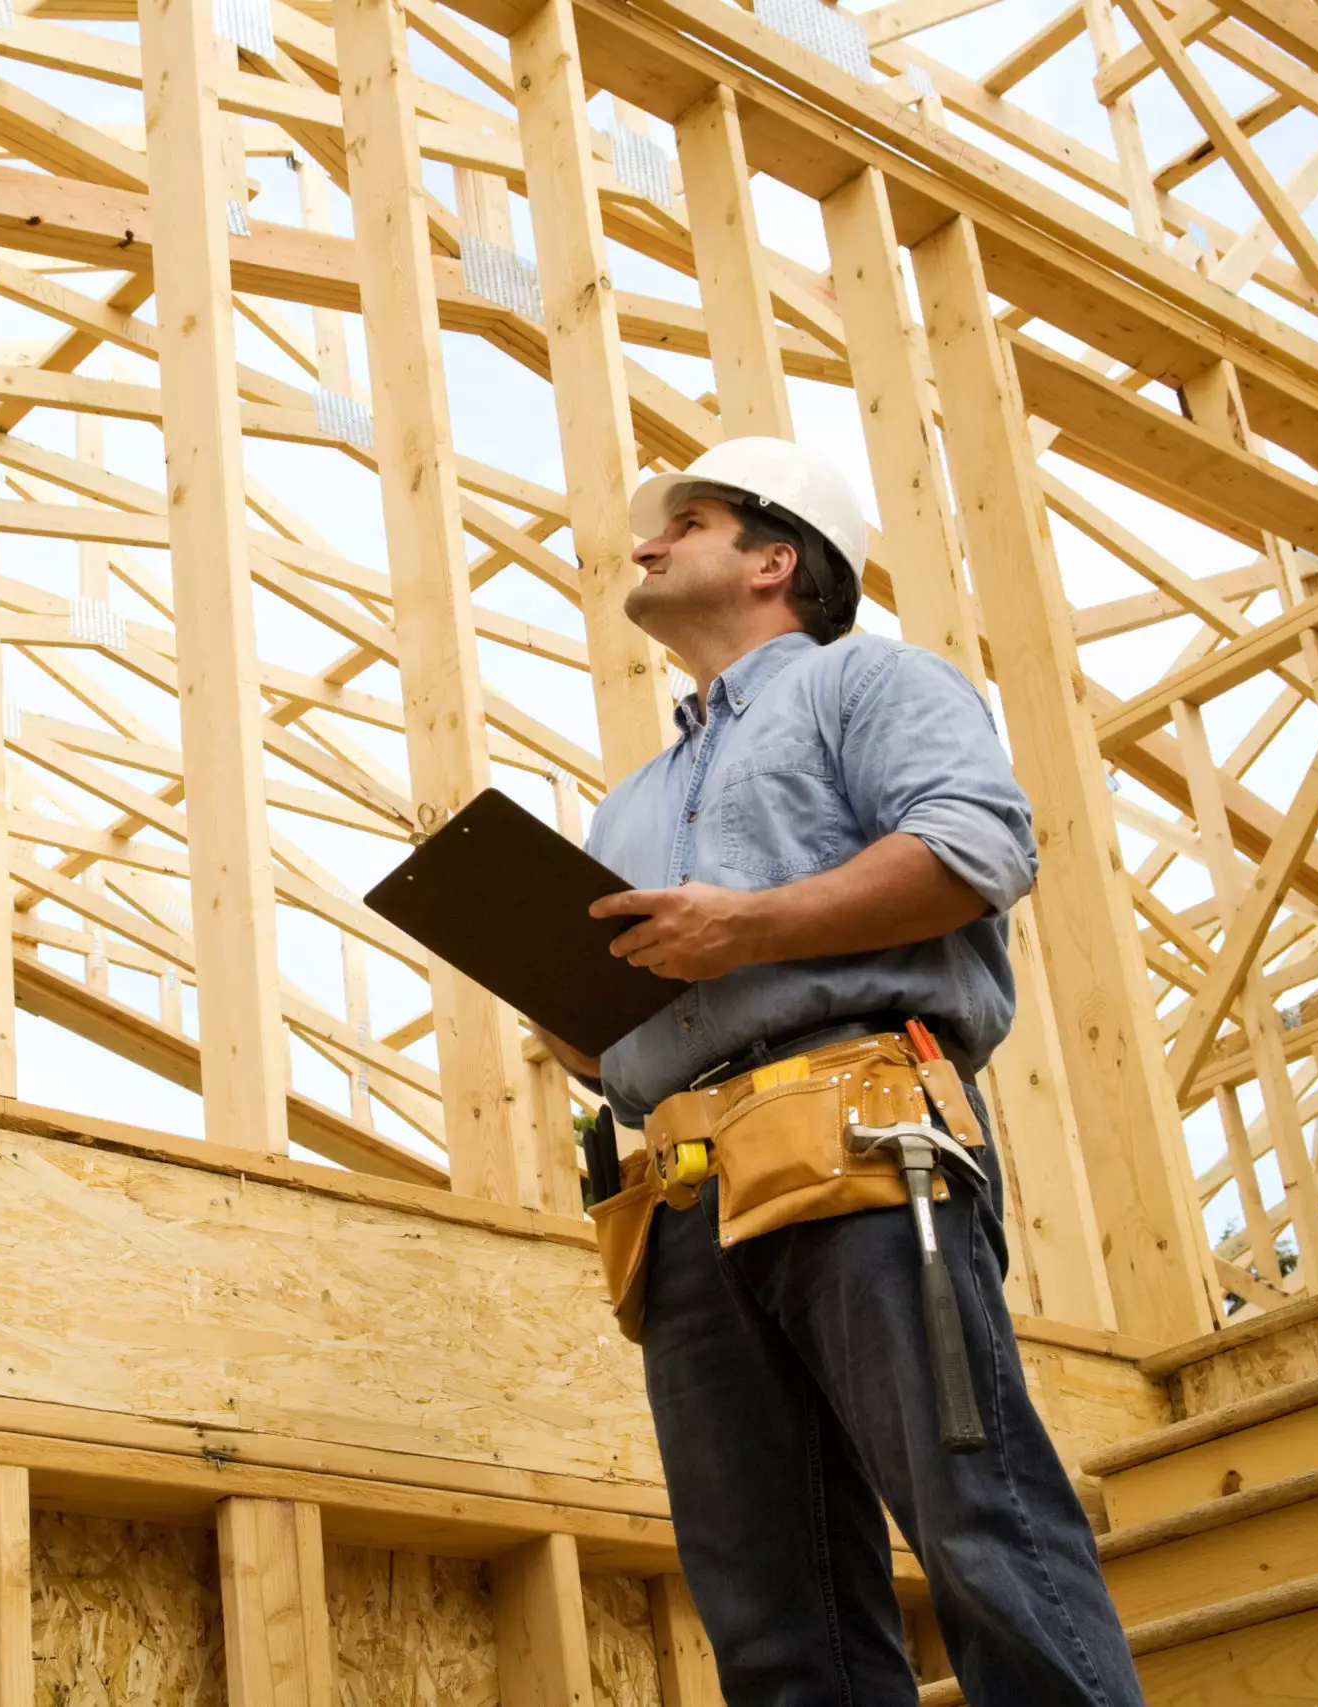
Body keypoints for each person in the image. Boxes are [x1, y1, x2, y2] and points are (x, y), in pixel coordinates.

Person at [534, 437, 1145, 1706]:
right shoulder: (627, 804)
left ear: (775, 559)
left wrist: (746, 926)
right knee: (770, 1604)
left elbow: (973, 847)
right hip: (685, 1189)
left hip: (861, 1132)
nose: (645, 544)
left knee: (977, 1521)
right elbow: (623, 1041)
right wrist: (565, 1013)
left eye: (684, 521)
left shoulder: (870, 684)